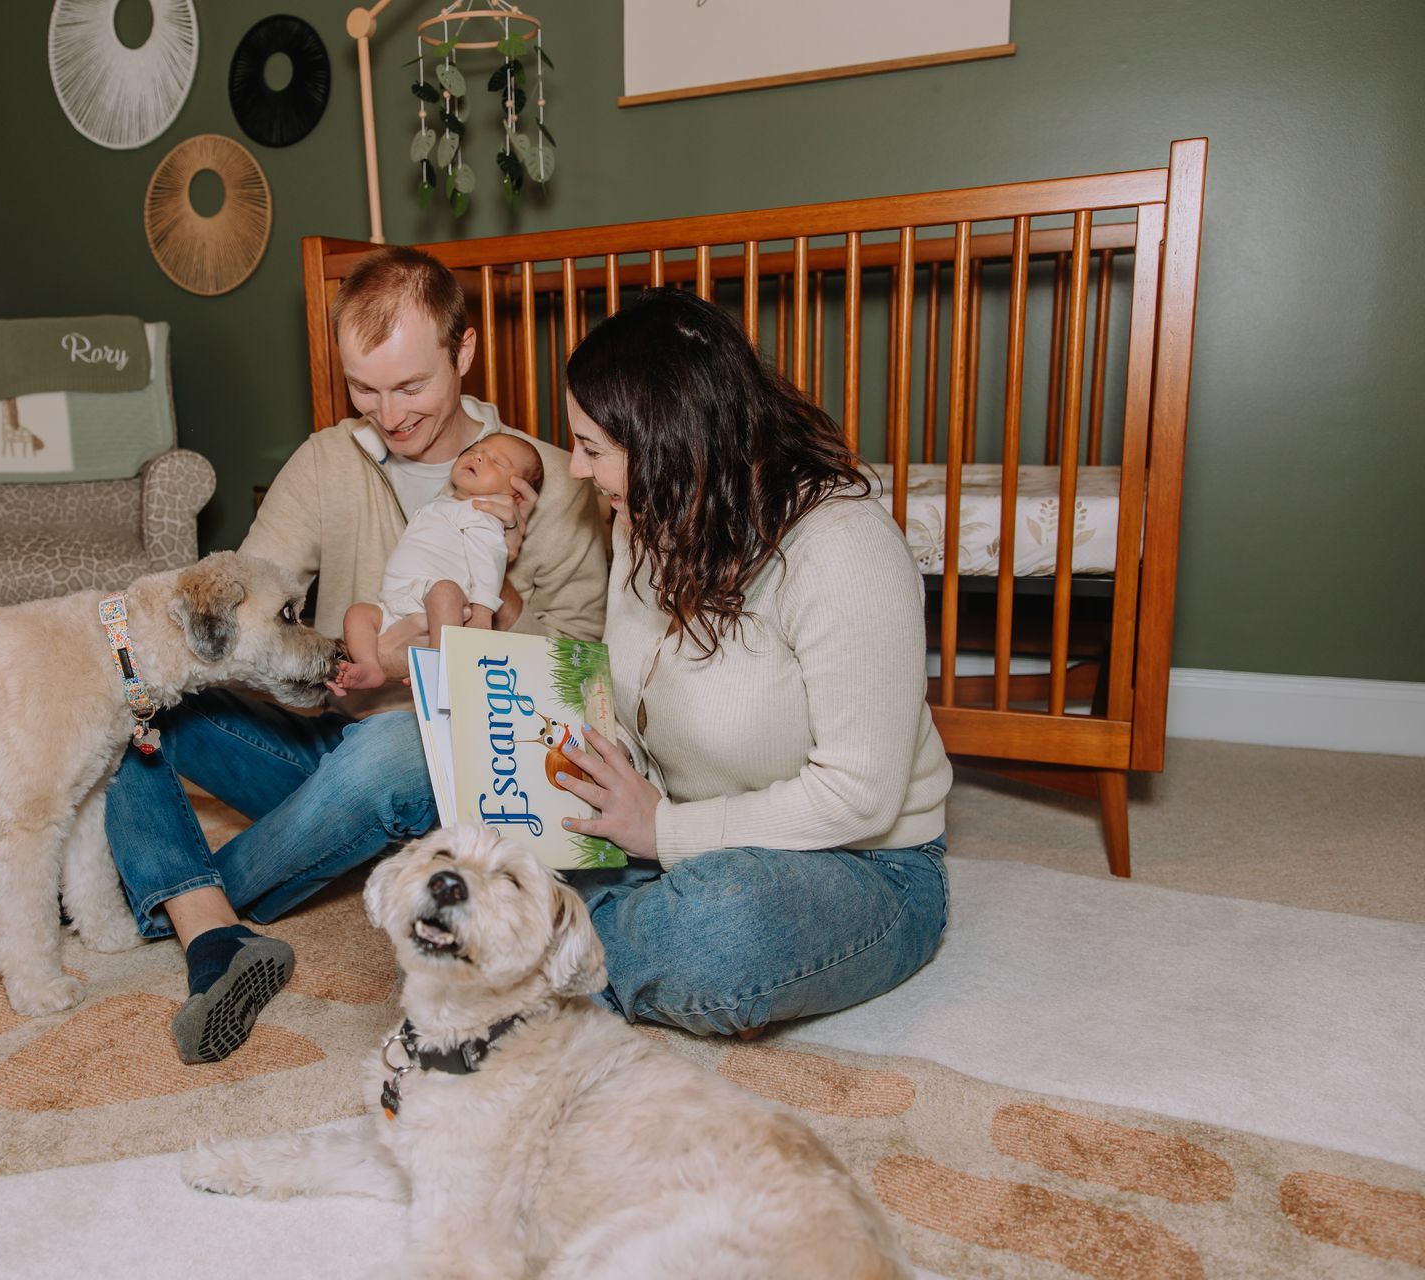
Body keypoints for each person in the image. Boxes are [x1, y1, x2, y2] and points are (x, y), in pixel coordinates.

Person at [103, 246, 610, 1063]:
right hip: (315, 741)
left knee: (396, 746)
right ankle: (213, 931)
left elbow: (582, 678)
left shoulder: (552, 479)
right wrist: (326, 664)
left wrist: (503, 582)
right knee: (124, 679)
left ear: (465, 351)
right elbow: (249, 606)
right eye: (365, 389)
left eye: (410, 386)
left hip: (439, 765)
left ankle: (176, 897)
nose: (389, 413)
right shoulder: (326, 461)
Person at [549, 287, 952, 1037]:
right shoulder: (648, 508)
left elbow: (860, 798)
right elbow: (633, 682)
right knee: (464, 793)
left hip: (859, 864)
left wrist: (663, 834)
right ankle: (584, 936)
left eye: (592, 449)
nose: (574, 468)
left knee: (725, 927)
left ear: (668, 443)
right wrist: (598, 761)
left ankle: (530, 959)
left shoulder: (844, 548)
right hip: (670, 825)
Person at [338, 432, 545, 690]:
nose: (479, 457)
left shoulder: (482, 514)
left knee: (445, 591)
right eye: (476, 449)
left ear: (516, 495)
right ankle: (370, 666)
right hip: (396, 602)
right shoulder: (445, 503)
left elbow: (488, 561)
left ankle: (437, 668)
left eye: (497, 461)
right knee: (358, 613)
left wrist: (482, 613)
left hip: (439, 601)